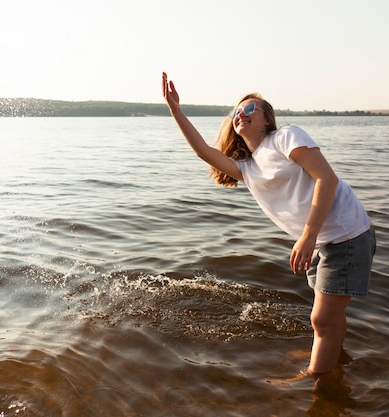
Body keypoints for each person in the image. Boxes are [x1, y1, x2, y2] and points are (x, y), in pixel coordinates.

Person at [161, 72, 376, 377]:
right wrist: (175, 110)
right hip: (322, 241)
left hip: (346, 235)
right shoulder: (247, 167)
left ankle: (316, 384)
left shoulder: (285, 137)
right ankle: (333, 359)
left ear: (266, 119)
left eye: (250, 109)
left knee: (321, 320)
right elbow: (203, 151)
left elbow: (325, 178)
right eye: (237, 112)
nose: (242, 115)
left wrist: (308, 236)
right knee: (329, 317)